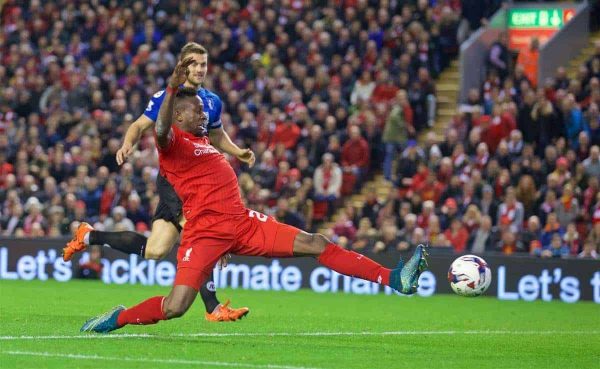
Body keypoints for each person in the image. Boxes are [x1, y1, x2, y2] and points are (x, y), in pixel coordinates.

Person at [80, 60, 428, 333]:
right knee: (176, 307)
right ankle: (120, 318)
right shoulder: (173, 143)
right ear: (180, 115)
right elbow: (157, 127)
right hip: (204, 232)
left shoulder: (204, 142)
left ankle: (394, 279)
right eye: (198, 111)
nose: (204, 113)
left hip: (243, 224)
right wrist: (172, 89)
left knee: (317, 243)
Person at [63, 42, 251, 322]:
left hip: (199, 181)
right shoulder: (167, 97)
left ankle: (89, 236)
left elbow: (217, 135)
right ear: (182, 66)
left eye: (203, 63)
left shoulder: (212, 101)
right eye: (194, 64)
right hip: (176, 181)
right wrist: (127, 144)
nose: (200, 69)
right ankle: (212, 307)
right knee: (198, 229)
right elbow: (139, 125)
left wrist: (237, 151)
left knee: (154, 250)